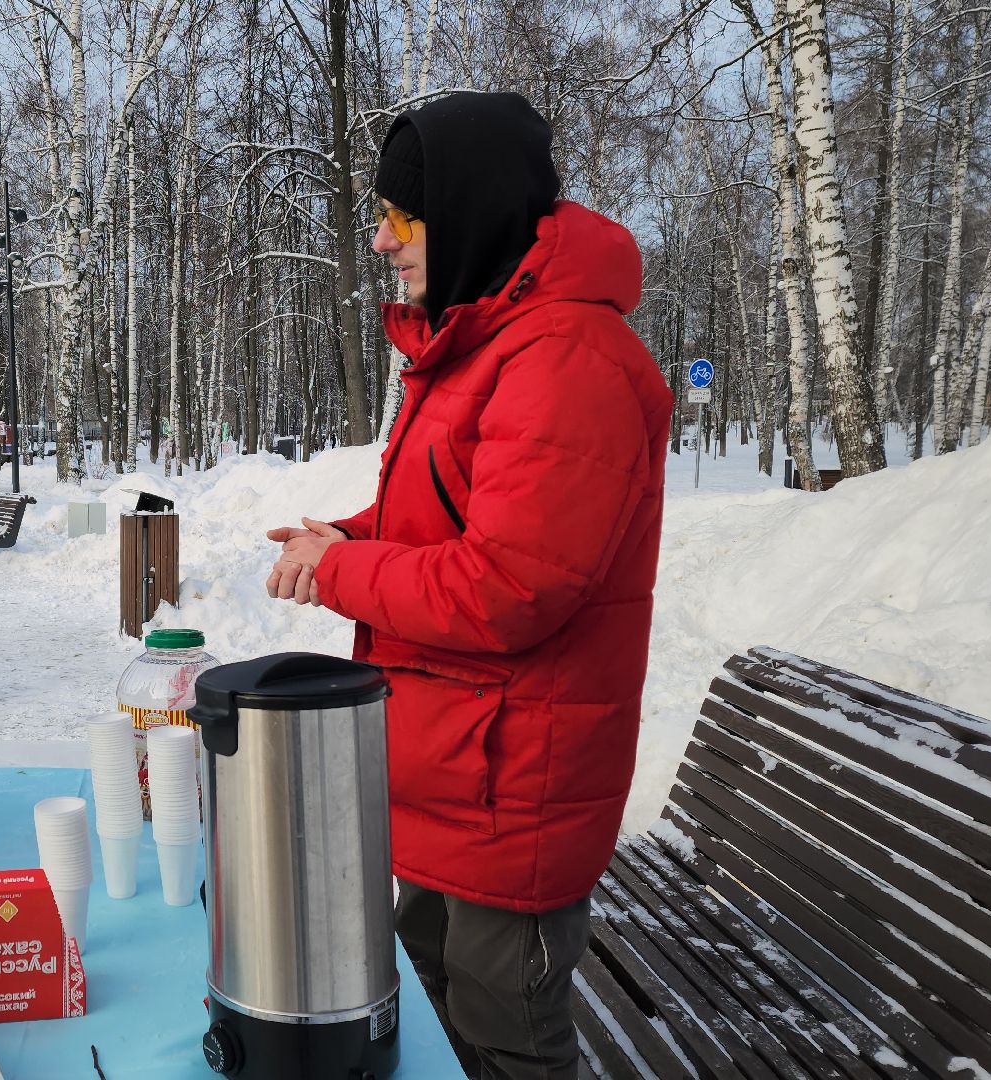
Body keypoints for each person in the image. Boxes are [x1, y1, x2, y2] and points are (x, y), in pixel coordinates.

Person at [263, 92, 672, 1080]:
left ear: (470, 210)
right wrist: (349, 535)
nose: (379, 239)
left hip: (514, 783)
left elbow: (507, 587)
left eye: (401, 217)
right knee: (434, 997)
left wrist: (344, 570)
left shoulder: (563, 358)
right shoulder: (485, 344)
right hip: (460, 770)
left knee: (503, 1032)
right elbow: (450, 520)